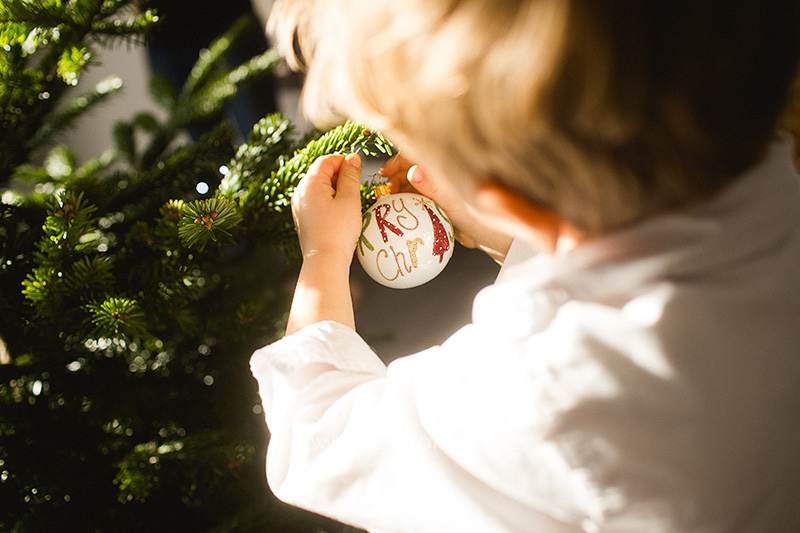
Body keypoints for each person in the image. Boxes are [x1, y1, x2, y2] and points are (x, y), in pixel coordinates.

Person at [250, 0, 800, 531]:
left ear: (505, 198)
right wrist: (516, 237)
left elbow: (324, 439)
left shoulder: (552, 380)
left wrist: (324, 256)